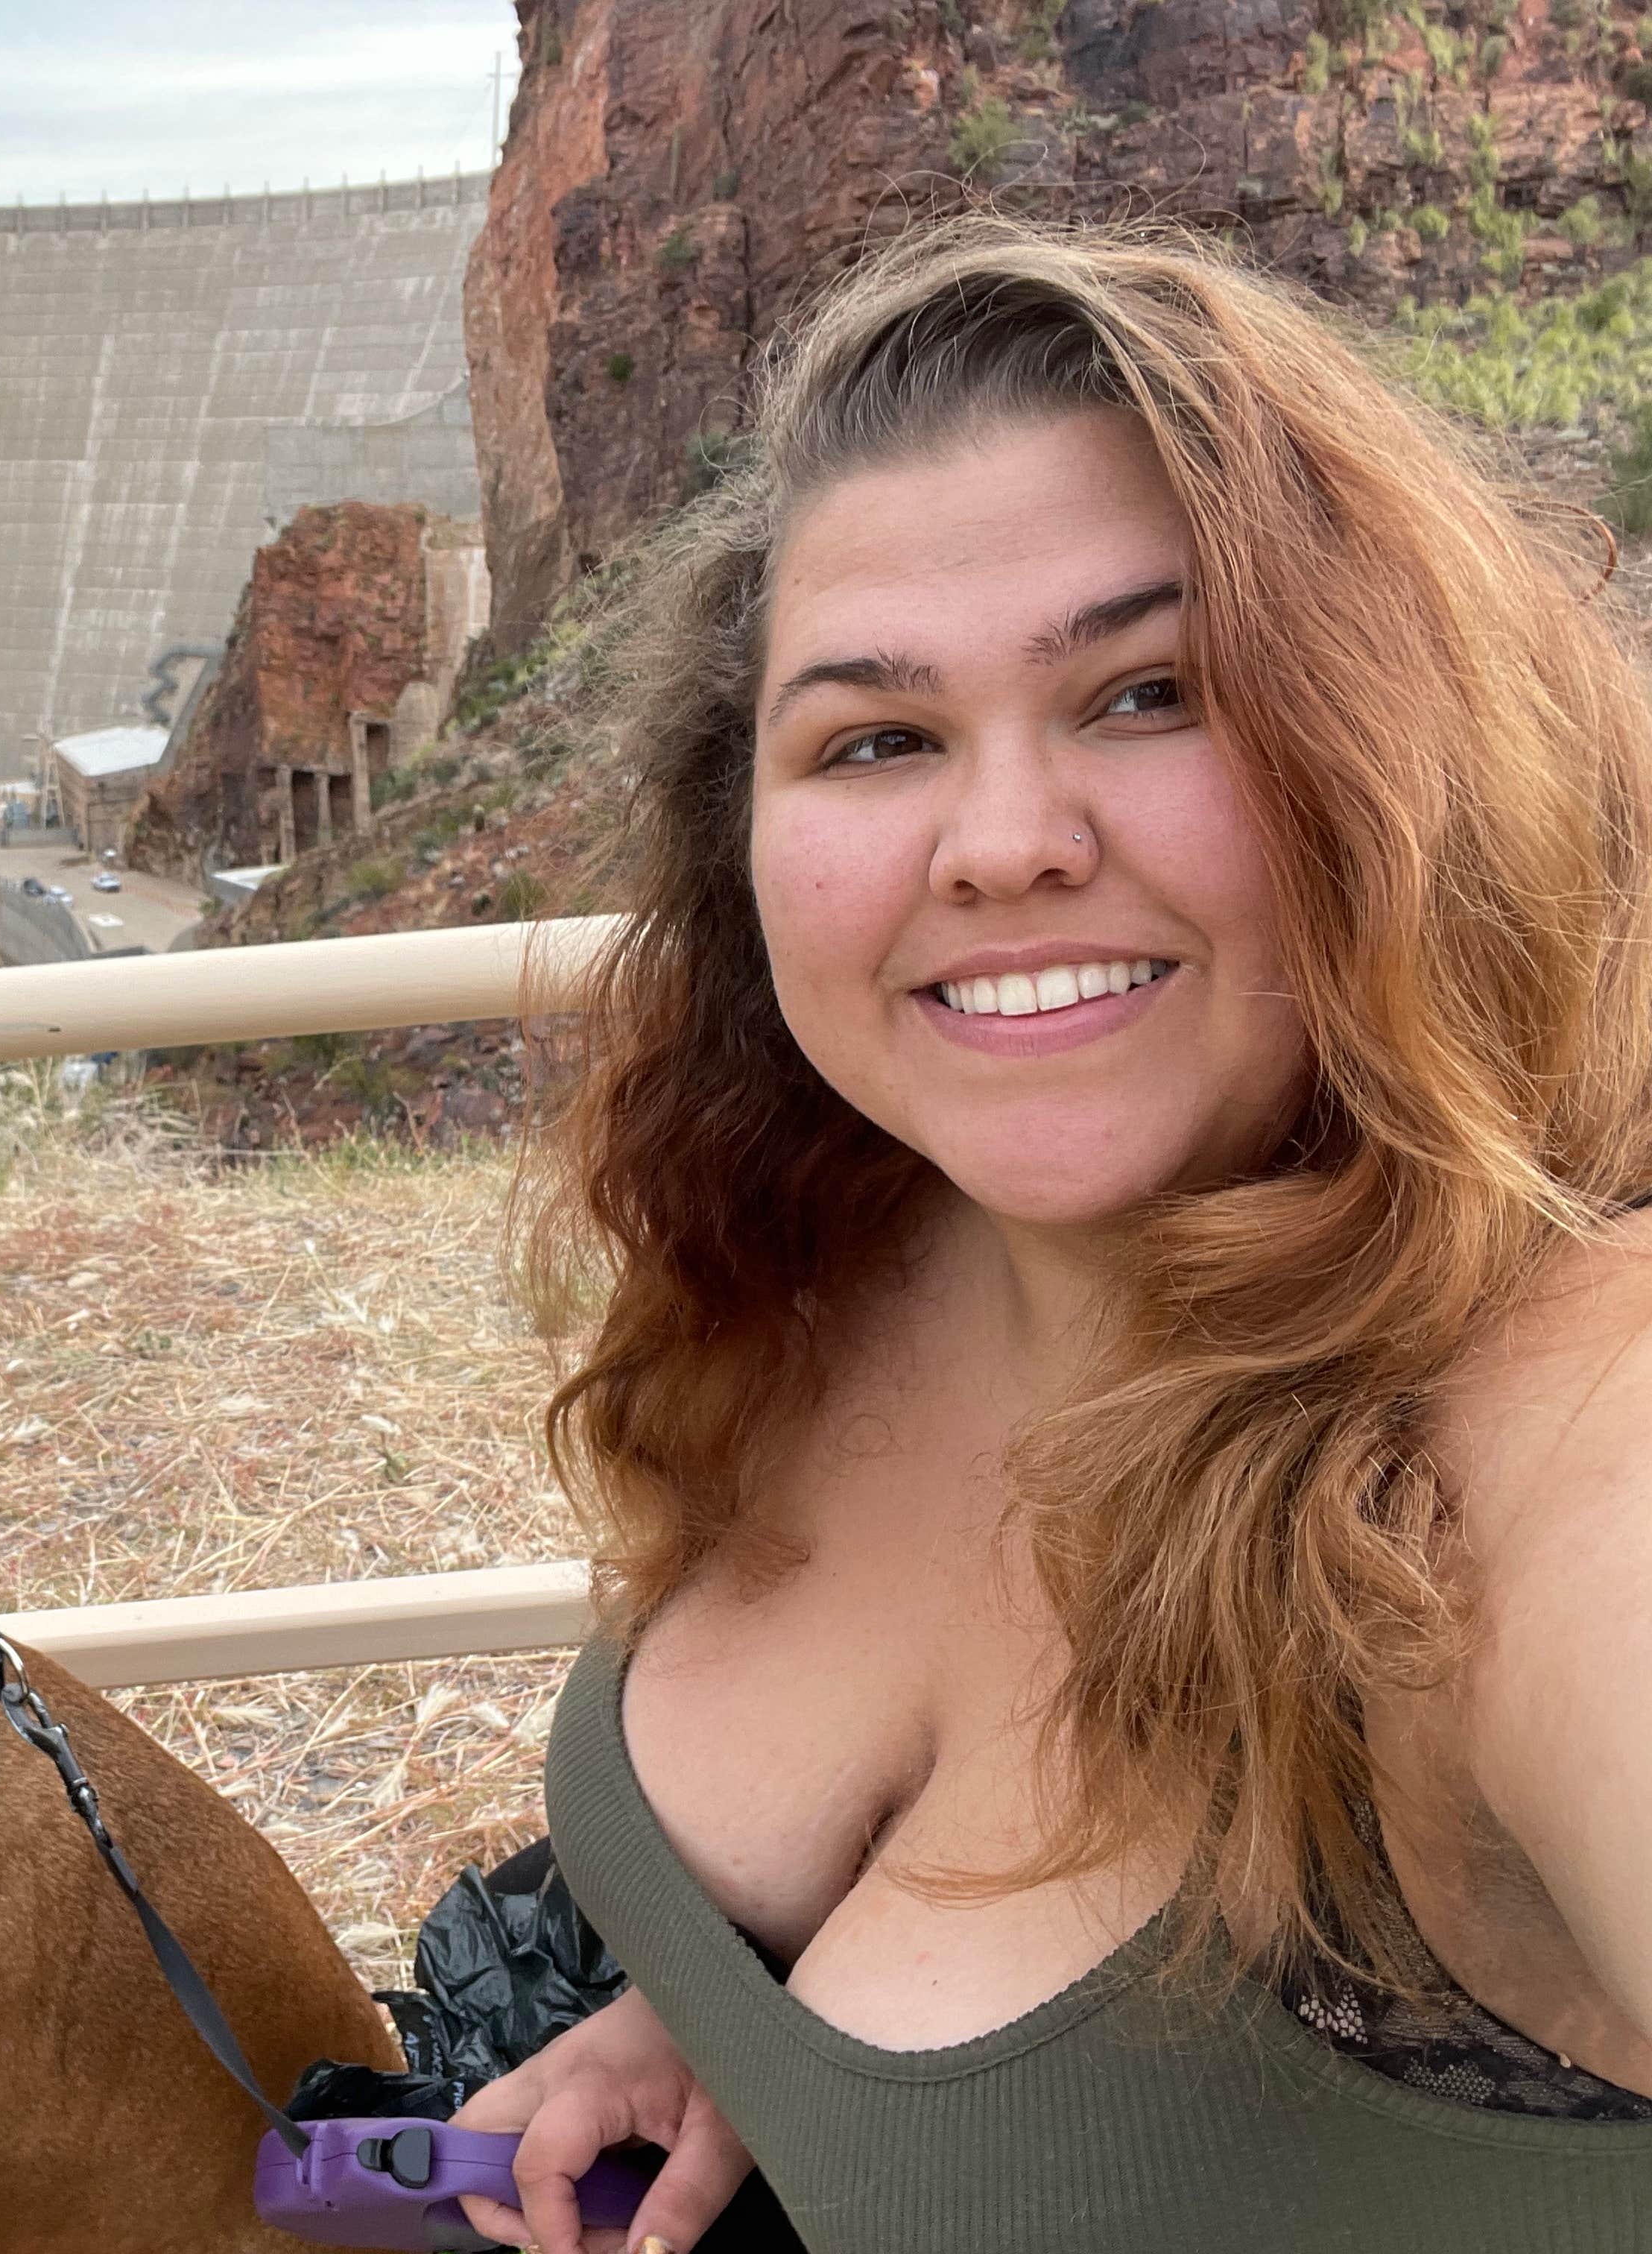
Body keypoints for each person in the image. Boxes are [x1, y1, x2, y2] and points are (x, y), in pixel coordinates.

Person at [453, 215, 1652, 2252]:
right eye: (878, 739)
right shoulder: (844, 1240)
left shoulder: (1551, 1426)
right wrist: (746, 2034)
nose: (1005, 841)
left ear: (1403, 759)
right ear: (742, 846)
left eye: (1148, 693)